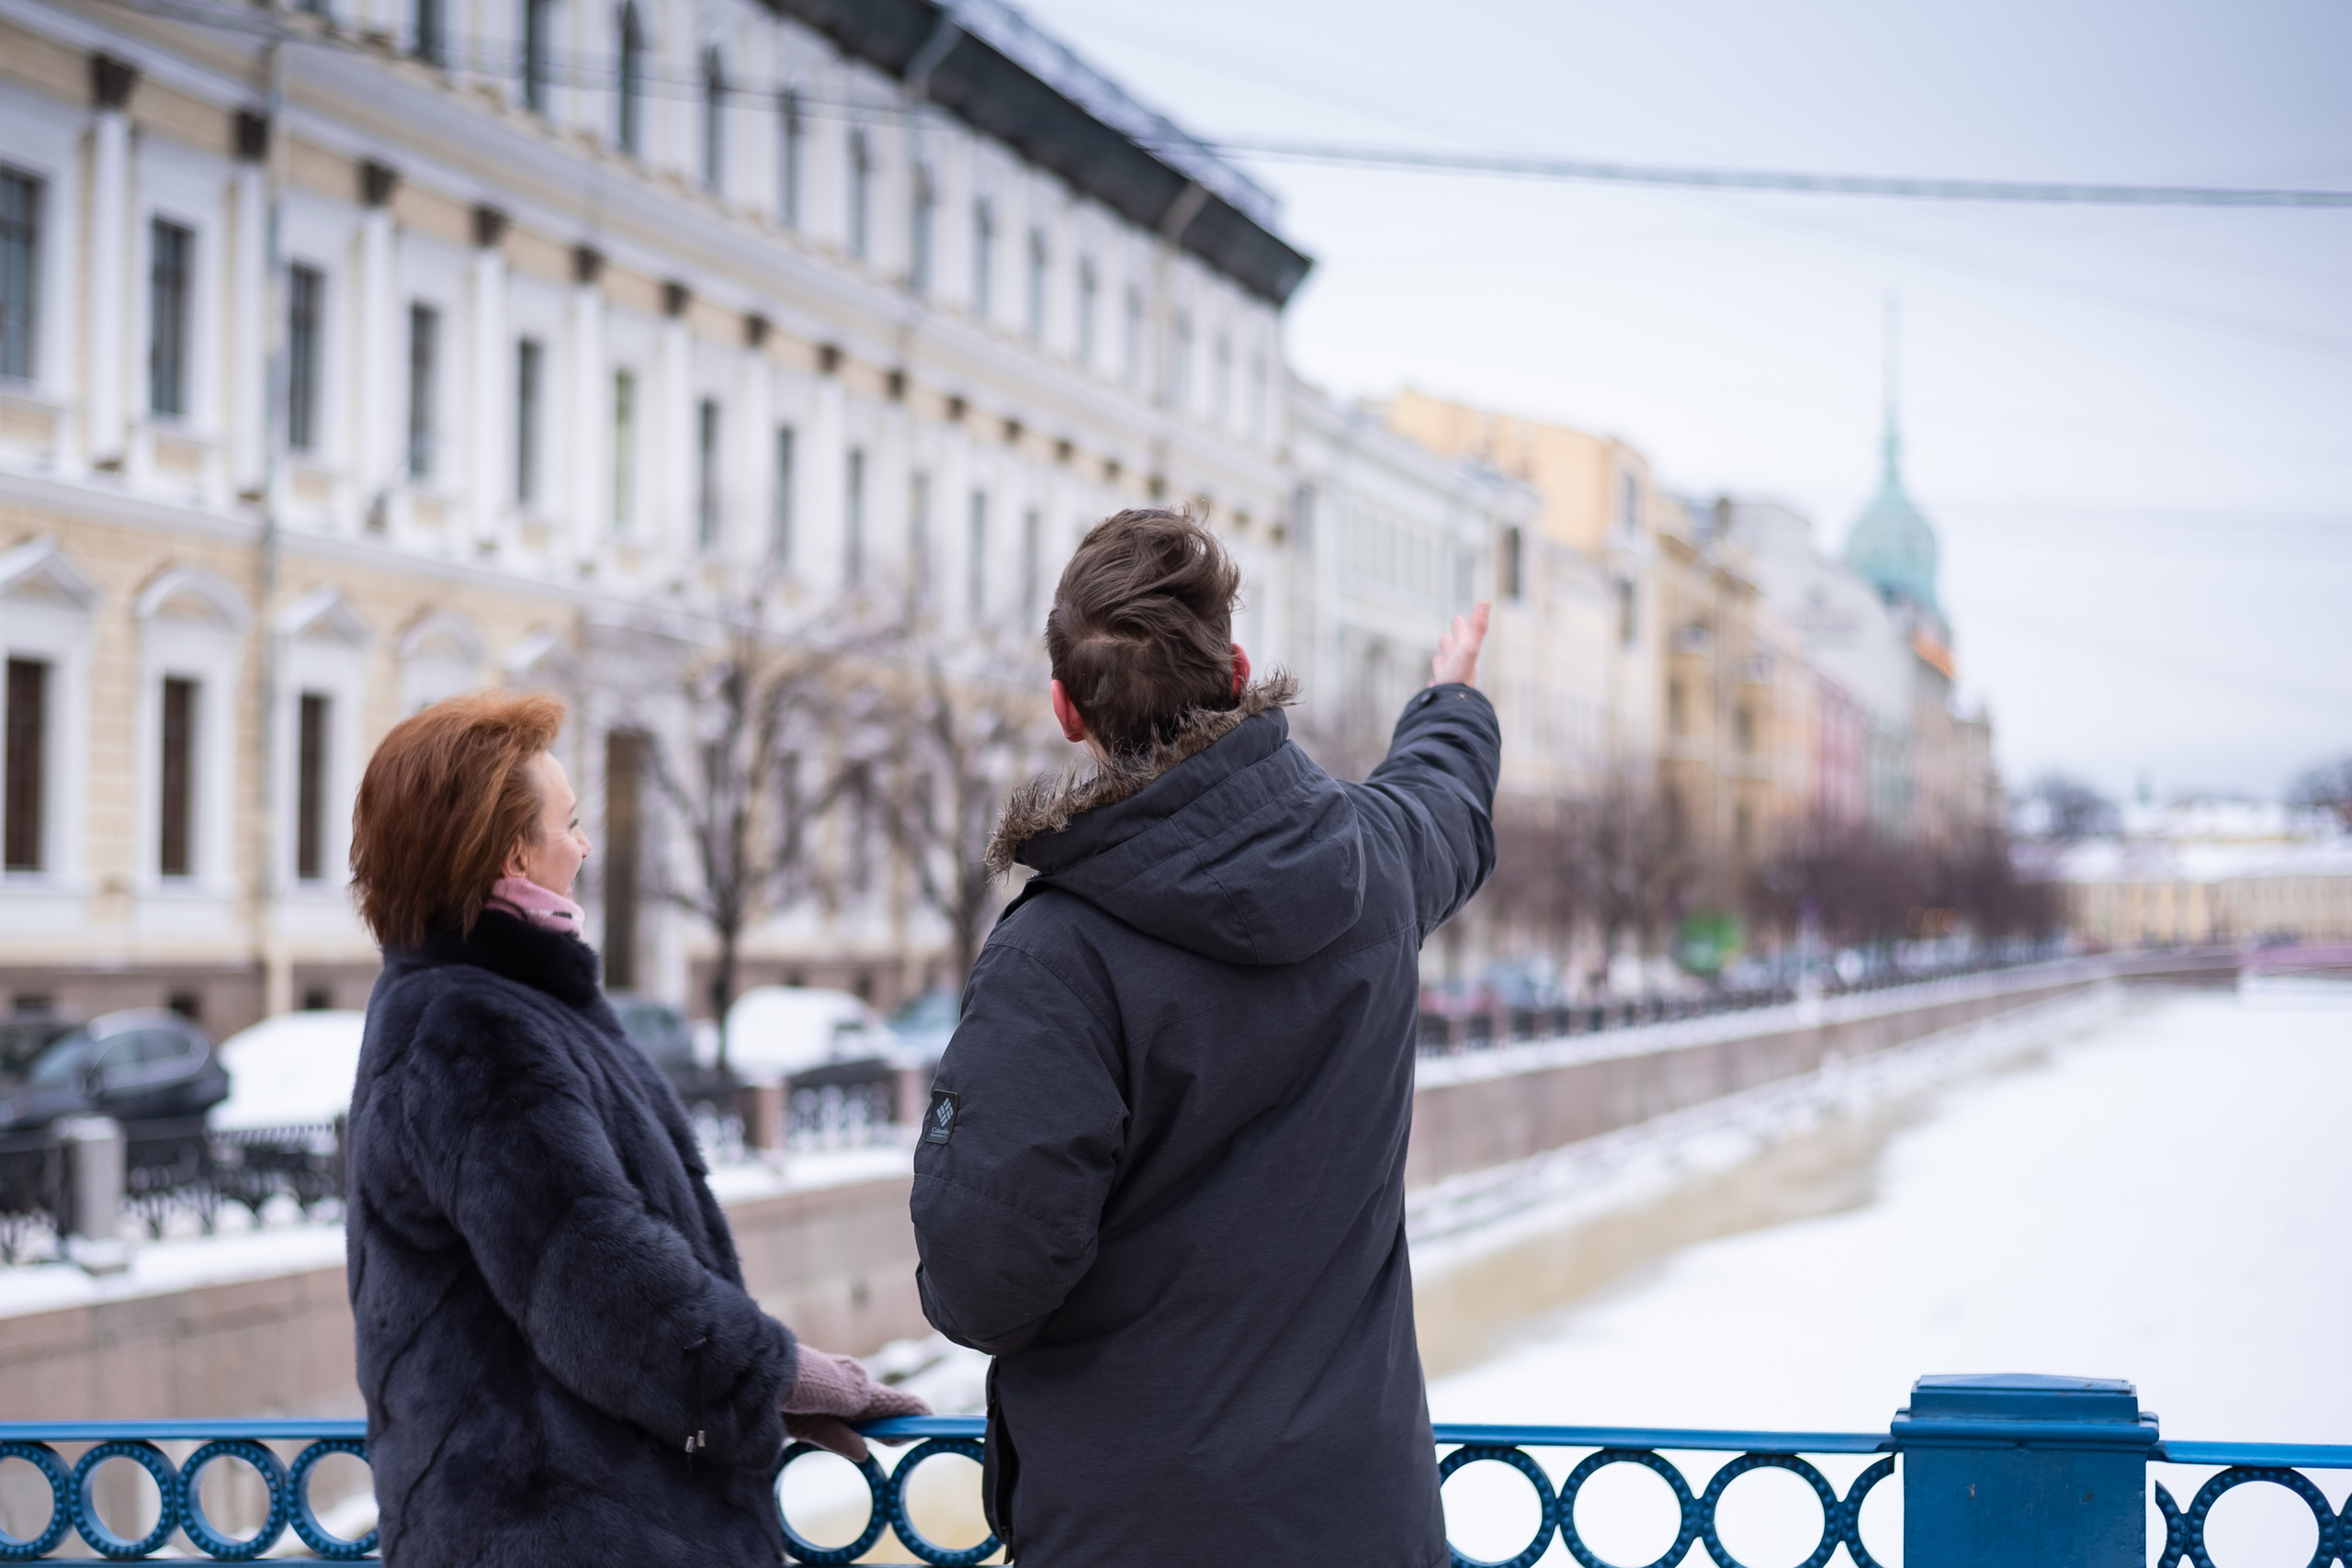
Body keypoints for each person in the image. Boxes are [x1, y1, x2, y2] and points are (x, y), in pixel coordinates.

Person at [910, 510, 1499, 1567]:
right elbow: (1443, 802)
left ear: (1064, 710)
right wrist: (1450, 697)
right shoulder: (1370, 866)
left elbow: (985, 1281)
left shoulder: (1057, 956)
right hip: (1363, 1523)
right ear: (1234, 671)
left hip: (1134, 1529)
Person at [344, 690, 924, 1566]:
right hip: (553, 1526)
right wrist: (774, 1374)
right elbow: (593, 1274)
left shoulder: (482, 1003)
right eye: (567, 824)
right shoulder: (472, 1026)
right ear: (512, 851)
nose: (582, 846)